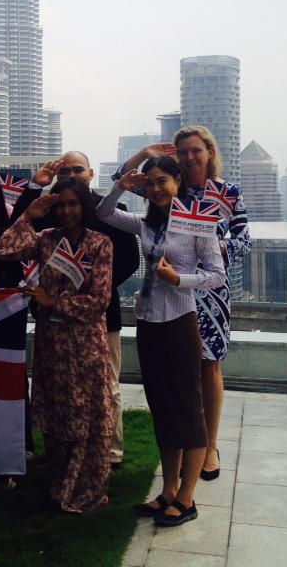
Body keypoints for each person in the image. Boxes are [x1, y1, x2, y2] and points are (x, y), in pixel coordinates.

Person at [97, 156, 226, 527]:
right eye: (150, 183)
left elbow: (217, 275)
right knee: (163, 409)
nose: (156, 189)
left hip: (180, 322)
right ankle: (168, 491)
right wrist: (122, 185)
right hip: (148, 321)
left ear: (178, 181)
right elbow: (104, 213)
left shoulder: (197, 222)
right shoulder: (146, 223)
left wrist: (180, 279)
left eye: (162, 181)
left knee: (188, 408)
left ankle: (187, 498)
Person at [118, 128, 250, 480]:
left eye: (196, 150)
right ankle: (183, 448)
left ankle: (209, 446)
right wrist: (144, 153)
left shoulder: (227, 193)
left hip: (209, 289)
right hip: (167, 290)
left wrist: (214, 245)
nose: (190, 157)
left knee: (209, 365)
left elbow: (244, 240)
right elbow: (121, 181)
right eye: (183, 152)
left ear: (209, 152)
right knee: (179, 374)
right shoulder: (169, 184)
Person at [11, 151, 140, 469]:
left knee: (106, 385)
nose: (71, 175)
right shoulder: (52, 210)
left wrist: (92, 286)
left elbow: (130, 261)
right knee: (59, 388)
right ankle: (64, 450)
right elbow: (17, 229)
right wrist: (34, 188)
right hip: (53, 319)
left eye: (77, 169)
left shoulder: (111, 210)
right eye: (65, 170)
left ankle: (110, 452)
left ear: (91, 173)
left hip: (98, 315)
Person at [0, 178, 114, 514]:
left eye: (73, 203)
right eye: (61, 204)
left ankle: (87, 486)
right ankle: (60, 482)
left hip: (85, 343)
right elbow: (5, 250)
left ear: (84, 205)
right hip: (52, 342)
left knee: (87, 413)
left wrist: (55, 302)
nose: (66, 211)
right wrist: (28, 216)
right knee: (58, 413)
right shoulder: (47, 239)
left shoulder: (100, 243)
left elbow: (99, 300)